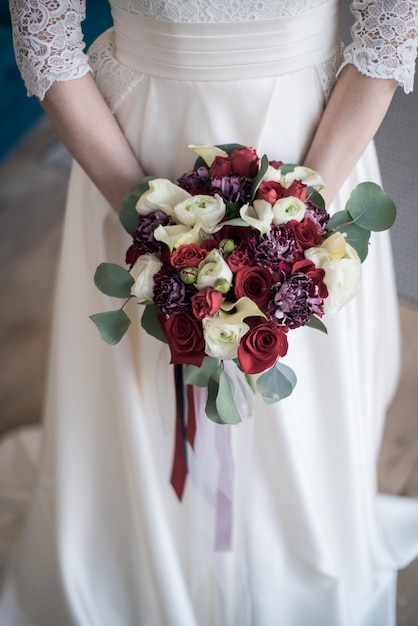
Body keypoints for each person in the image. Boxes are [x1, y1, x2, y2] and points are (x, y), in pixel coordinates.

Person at [1, 1, 418, 624]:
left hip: (313, 150)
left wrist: (295, 220)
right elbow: (46, 36)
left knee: (300, 408)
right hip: (136, 155)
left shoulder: (306, 195)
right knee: (142, 381)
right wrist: (147, 222)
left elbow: (390, 30)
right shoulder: (138, 194)